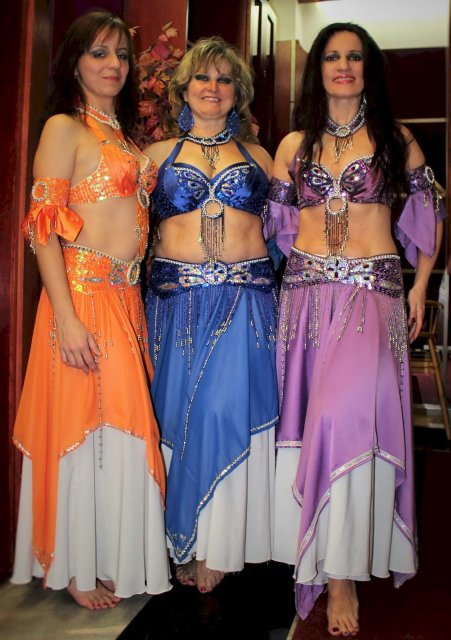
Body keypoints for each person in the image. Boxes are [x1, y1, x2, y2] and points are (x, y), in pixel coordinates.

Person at [266, 22, 445, 637]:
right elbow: (274, 226)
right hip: (306, 299)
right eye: (332, 56)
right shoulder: (294, 145)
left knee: (341, 416)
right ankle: (315, 547)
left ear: (369, 69)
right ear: (317, 68)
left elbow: (429, 211)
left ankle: (340, 575)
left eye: (355, 57)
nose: (343, 65)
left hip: (374, 297)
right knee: (312, 419)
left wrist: (421, 286)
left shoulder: (396, 139)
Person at [11, 9, 171, 609]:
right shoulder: (65, 128)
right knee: (83, 427)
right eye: (99, 53)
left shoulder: (122, 136)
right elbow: (42, 229)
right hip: (81, 297)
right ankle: (74, 568)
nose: (113, 65)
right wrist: (67, 315)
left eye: (121, 55)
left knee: (118, 430)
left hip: (125, 299)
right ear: (74, 63)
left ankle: (106, 557)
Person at [143, 36, 278, 594]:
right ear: (184, 87)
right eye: (203, 77)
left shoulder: (261, 158)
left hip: (246, 300)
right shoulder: (154, 157)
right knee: (178, 418)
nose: (213, 87)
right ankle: (187, 538)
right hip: (175, 303)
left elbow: (293, 229)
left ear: (237, 92)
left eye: (224, 79)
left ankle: (221, 543)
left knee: (222, 411)